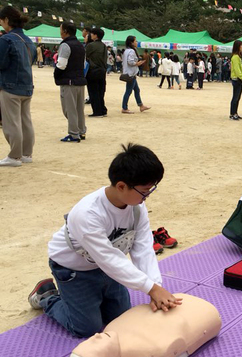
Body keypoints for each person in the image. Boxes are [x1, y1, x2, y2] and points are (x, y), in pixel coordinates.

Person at [28, 143, 183, 338]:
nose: (148, 196)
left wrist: (155, 286)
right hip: (74, 270)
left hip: (106, 268)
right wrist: (150, 288)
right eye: (145, 191)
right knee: (87, 327)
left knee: (123, 318)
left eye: (151, 189)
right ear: (121, 186)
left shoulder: (136, 206)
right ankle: (48, 296)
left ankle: (89, 299)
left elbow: (142, 247)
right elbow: (108, 258)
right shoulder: (87, 214)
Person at [0, 5, 36, 167]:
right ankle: (26, 153)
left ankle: (14, 156)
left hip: (9, 86)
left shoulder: (6, 39)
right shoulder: (28, 40)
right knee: (25, 120)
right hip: (26, 85)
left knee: (12, 122)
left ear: (7, 20)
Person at [55, 22, 88, 142]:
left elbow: (62, 64)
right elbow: (84, 64)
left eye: (61, 29)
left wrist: (56, 74)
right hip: (79, 80)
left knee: (69, 109)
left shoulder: (65, 45)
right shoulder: (80, 45)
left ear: (65, 31)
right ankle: (81, 131)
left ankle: (74, 133)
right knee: (79, 108)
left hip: (68, 81)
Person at [121, 36, 151, 114]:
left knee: (136, 90)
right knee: (128, 91)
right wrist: (137, 63)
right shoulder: (132, 51)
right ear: (131, 42)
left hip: (129, 73)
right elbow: (130, 62)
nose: (136, 42)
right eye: (135, 41)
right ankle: (124, 108)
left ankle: (141, 105)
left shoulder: (126, 50)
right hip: (131, 74)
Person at [85, 27, 108, 118]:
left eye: (92, 34)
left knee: (93, 91)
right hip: (102, 70)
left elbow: (86, 56)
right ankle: (103, 110)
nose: (90, 35)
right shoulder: (103, 45)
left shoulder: (90, 46)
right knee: (100, 91)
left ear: (95, 35)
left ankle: (97, 111)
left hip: (93, 71)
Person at [229, 40, 242, 120]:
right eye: (241, 45)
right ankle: (232, 114)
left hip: (238, 79)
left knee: (237, 97)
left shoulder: (238, 57)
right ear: (238, 46)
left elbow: (239, 68)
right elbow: (237, 70)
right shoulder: (235, 57)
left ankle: (235, 113)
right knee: (235, 97)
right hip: (237, 79)